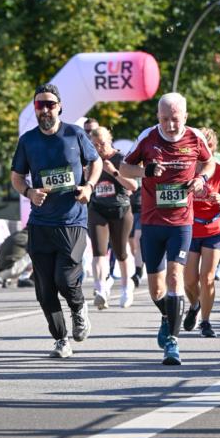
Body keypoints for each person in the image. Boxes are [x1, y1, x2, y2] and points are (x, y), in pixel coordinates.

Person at [118, 92, 214, 366]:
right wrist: (145, 171)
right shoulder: (148, 137)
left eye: (174, 119)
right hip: (151, 222)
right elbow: (124, 168)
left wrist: (201, 178)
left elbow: (209, 161)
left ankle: (172, 343)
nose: (170, 125)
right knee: (156, 290)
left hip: (181, 222)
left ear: (185, 116)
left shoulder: (195, 137)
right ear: (157, 117)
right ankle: (168, 315)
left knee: (175, 278)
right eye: (164, 119)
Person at [10, 83, 102, 359]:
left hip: (72, 220)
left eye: (50, 104)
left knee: (64, 278)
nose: (46, 109)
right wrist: (28, 191)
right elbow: (16, 177)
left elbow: (95, 162)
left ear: (60, 106)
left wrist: (89, 187)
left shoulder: (74, 134)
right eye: (40, 105)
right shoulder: (27, 141)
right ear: (35, 109)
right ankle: (61, 340)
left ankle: (78, 307)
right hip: (41, 224)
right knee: (44, 289)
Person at [183, 128, 220, 337]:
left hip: (213, 229)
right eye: (199, 147)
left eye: (207, 146)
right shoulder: (186, 170)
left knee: (207, 278)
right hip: (189, 228)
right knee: (189, 279)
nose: (202, 151)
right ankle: (195, 304)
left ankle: (205, 322)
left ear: (213, 149)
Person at [86, 125, 138, 309]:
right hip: (98, 208)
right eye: (94, 145)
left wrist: (113, 172)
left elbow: (133, 186)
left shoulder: (121, 158)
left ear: (110, 141)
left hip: (120, 210)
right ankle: (100, 290)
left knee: (121, 252)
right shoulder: (91, 160)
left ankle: (126, 287)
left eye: (102, 144)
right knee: (99, 251)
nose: (99, 148)